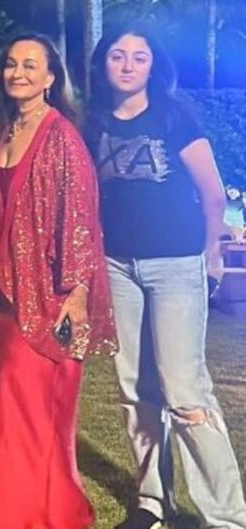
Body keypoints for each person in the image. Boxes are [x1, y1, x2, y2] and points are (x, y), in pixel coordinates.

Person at [85, 25, 246, 529]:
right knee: (135, 389)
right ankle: (153, 502)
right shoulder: (93, 121)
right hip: (118, 267)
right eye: (118, 55)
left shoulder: (174, 117)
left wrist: (211, 253)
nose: (128, 65)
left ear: (153, 65)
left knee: (184, 391)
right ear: (103, 62)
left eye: (139, 56)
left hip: (175, 266)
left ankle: (226, 517)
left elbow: (213, 194)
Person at [0, 33, 118, 529]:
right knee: (13, 409)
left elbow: (82, 217)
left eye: (30, 65)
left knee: (40, 414)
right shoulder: (8, 132)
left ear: (51, 77)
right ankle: (6, 512)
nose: (18, 73)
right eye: (11, 64)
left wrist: (78, 294)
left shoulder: (62, 137)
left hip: (52, 299)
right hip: (10, 294)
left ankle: (48, 515)